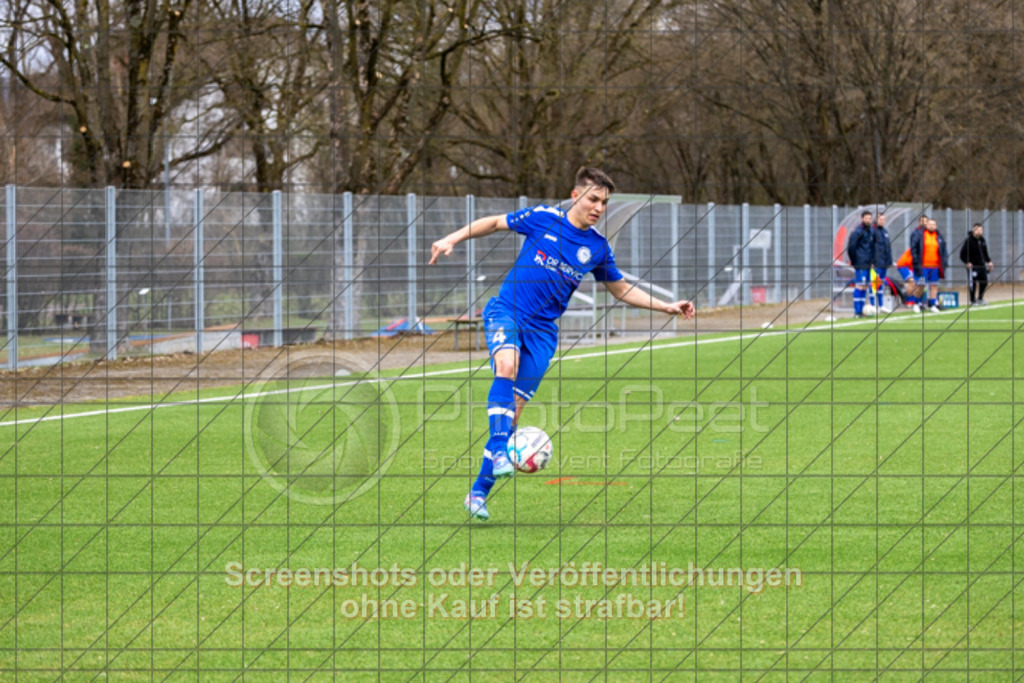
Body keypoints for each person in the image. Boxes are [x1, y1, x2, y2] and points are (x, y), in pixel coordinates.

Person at [428, 167, 696, 521]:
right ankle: (499, 451)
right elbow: (493, 223)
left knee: (513, 413)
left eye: (604, 202)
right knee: (507, 365)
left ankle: (478, 492)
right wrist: (451, 238)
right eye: (593, 199)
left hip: (543, 333)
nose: (598, 207)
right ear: (575, 195)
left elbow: (620, 289)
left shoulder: (597, 247)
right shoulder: (544, 218)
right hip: (507, 310)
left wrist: (666, 306)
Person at [910, 217, 948, 313]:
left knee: (934, 285)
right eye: (930, 224)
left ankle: (932, 304)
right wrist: (916, 261)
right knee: (921, 285)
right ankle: (916, 303)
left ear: (936, 226)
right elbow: (914, 248)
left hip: (935, 266)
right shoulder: (920, 235)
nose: (931, 226)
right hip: (923, 266)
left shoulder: (939, 236)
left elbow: (944, 250)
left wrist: (944, 262)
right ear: (926, 225)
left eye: (933, 224)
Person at [846, 211, 875, 317]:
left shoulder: (870, 231)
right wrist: (855, 261)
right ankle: (857, 311)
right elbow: (851, 248)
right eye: (866, 218)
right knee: (859, 286)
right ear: (862, 219)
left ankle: (862, 311)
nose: (868, 220)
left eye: (870, 218)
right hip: (860, 263)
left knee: (865, 287)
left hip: (868, 264)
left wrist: (872, 261)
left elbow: (871, 248)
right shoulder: (857, 232)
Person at [959, 223, 994, 305]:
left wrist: (989, 261)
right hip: (973, 266)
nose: (979, 231)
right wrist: (967, 262)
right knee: (973, 283)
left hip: (982, 265)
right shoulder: (969, 241)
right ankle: (972, 300)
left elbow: (985, 253)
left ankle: (980, 298)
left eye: (980, 230)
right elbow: (962, 254)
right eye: (977, 229)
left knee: (984, 282)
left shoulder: (982, 240)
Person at [871, 212, 894, 312]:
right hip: (876, 262)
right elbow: (869, 248)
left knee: (881, 284)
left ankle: (881, 305)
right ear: (876, 220)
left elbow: (888, 247)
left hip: (884, 263)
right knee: (875, 284)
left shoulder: (885, 231)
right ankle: (872, 305)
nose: (882, 221)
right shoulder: (872, 231)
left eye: (883, 220)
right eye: (880, 219)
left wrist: (890, 261)